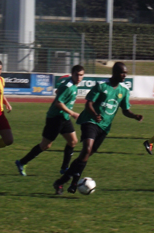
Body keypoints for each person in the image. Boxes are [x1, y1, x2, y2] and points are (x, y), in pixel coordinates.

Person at [53, 62, 143, 195]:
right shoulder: (101, 85)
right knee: (87, 149)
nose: (124, 75)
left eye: (126, 73)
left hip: (105, 127)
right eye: (122, 72)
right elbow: (88, 104)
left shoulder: (123, 90)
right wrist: (95, 115)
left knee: (85, 155)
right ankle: (74, 181)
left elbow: (125, 110)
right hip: (90, 120)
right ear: (115, 72)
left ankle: (61, 181)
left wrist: (134, 116)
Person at [15, 65, 85, 176]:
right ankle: (22, 162)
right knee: (45, 145)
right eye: (77, 74)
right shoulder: (68, 86)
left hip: (64, 118)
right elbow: (58, 103)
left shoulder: (72, 84)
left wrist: (60, 94)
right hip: (55, 118)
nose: (79, 77)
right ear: (72, 74)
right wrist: (72, 113)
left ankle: (64, 168)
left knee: (73, 141)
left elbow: (58, 91)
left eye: (81, 75)